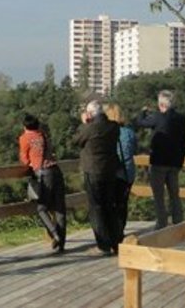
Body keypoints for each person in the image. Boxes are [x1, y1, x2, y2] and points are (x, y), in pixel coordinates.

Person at [73, 99, 123, 255]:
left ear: (90, 114)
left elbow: (76, 140)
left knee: (96, 208)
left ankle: (103, 244)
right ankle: (116, 242)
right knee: (110, 206)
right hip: (110, 171)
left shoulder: (90, 128)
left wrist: (85, 123)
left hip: (93, 171)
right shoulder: (113, 127)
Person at [134, 89, 185, 229]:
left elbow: (140, 122)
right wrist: (180, 161)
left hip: (159, 162)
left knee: (158, 195)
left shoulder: (158, 117)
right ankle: (178, 222)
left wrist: (143, 111)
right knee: (174, 194)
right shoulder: (182, 119)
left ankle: (161, 223)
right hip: (175, 162)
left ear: (161, 104)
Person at [17, 113, 67, 253]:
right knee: (59, 209)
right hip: (56, 171)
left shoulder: (25, 138)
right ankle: (61, 244)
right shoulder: (43, 135)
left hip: (44, 174)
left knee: (41, 208)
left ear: (25, 126)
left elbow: (25, 160)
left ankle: (55, 235)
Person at [104, 103, 138, 243]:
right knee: (122, 203)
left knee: (111, 203)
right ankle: (120, 231)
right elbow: (134, 149)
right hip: (128, 172)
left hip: (113, 172)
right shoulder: (129, 132)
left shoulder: (106, 132)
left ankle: (112, 233)